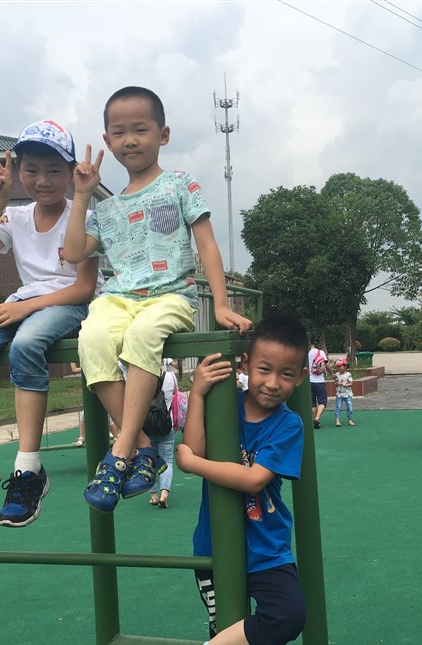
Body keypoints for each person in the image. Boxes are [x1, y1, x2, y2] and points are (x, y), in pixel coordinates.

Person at [63, 86, 251, 514]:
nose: (130, 140)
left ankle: (121, 451)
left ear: (163, 134)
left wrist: (221, 304)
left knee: (143, 334)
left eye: (140, 129)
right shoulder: (105, 208)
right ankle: (144, 447)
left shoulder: (180, 184)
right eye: (119, 132)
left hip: (170, 295)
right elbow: (73, 252)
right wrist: (82, 194)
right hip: (118, 298)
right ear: (107, 141)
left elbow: (207, 245)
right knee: (91, 339)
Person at [0, 120, 100, 528]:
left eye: (54, 170)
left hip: (67, 304)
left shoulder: (82, 215)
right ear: (19, 171)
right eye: (32, 170)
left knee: (27, 344)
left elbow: (83, 288)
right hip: (24, 303)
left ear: (71, 172)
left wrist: (27, 309)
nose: (42, 180)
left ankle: (29, 469)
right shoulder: (16, 216)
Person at [168, 314, 309, 645]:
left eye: (286, 374)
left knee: (288, 615)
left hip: (267, 550)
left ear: (300, 377)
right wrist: (197, 393)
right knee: (228, 638)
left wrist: (192, 466)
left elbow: (252, 479)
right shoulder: (225, 403)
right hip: (214, 550)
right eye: (264, 369)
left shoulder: (288, 425)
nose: (272, 383)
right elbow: (195, 445)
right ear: (245, 364)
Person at [148, 359, 178, 509]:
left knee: (149, 460)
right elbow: (176, 395)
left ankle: (153, 496)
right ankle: (164, 493)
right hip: (166, 424)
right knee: (167, 460)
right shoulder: (171, 377)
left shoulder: (143, 378)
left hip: (147, 425)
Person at [307, 338, 329, 428]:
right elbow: (326, 365)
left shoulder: (306, 353)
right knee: (322, 401)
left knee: (312, 403)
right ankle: (317, 418)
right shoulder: (320, 352)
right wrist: (332, 375)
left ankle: (315, 421)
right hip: (319, 381)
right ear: (315, 342)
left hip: (309, 381)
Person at [333, 358, 355, 427]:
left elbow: (351, 383)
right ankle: (337, 420)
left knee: (349, 407)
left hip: (348, 394)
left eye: (340, 366)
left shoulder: (348, 374)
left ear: (345, 366)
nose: (338, 368)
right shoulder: (337, 374)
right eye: (337, 366)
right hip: (339, 394)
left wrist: (343, 384)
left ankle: (350, 420)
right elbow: (335, 383)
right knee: (338, 407)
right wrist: (336, 383)